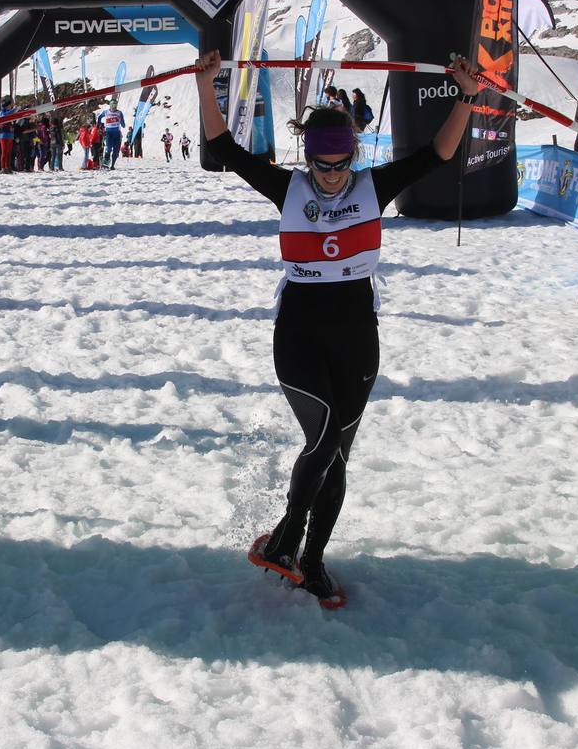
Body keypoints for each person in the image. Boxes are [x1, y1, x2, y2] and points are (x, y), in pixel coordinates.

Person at [193, 49, 483, 605]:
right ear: (308, 159)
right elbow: (225, 149)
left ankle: (312, 560)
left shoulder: (373, 188)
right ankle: (284, 541)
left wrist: (467, 96)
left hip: (357, 338)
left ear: (353, 155)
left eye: (341, 164)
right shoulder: (290, 189)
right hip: (299, 334)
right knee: (322, 437)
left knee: (339, 455)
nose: (331, 176)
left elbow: (438, 153)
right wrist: (209, 86)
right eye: (322, 165)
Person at [98, 100, 126, 169]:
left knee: (116, 151)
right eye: (113, 105)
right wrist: (98, 126)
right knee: (109, 148)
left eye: (115, 105)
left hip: (117, 133)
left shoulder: (119, 113)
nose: (114, 107)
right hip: (109, 133)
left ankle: (112, 165)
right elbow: (99, 117)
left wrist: (120, 120)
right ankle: (105, 164)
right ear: (110, 105)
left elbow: (123, 125)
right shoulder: (106, 112)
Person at [0, 96, 16, 173]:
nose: (10, 107)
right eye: (10, 106)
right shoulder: (2, 112)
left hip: (10, 134)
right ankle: (3, 168)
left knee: (9, 152)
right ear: (7, 105)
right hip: (3, 135)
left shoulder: (10, 112)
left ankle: (8, 167)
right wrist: (14, 110)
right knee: (4, 152)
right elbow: (4, 116)